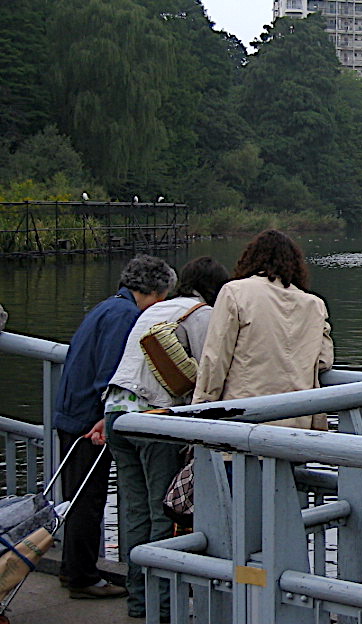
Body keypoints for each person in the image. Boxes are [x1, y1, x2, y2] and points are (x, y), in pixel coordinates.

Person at [102, 256, 229, 620]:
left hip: (116, 413)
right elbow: (209, 374)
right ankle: (162, 604)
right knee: (163, 512)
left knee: (135, 510)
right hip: (152, 419)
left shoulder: (155, 309)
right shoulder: (200, 314)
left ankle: (138, 601)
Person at [52, 254, 176, 600]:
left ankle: (72, 569)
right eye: (163, 295)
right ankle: (82, 578)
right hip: (86, 420)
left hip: (70, 413)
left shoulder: (107, 307)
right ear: (153, 290)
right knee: (87, 501)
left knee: (78, 497)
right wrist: (103, 417)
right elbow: (110, 372)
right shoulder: (125, 317)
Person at [194, 230, 334, 429]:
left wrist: (200, 410)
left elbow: (215, 359)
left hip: (244, 417)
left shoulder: (235, 292)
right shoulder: (314, 305)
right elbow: (323, 361)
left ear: (250, 258)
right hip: (296, 421)